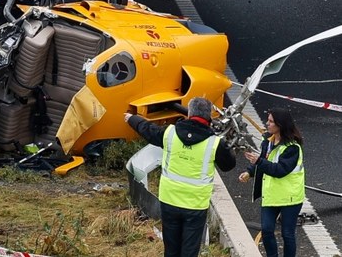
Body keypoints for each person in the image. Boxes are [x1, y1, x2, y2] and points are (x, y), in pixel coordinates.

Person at [124, 97, 236, 257]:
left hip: (169, 201)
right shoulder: (215, 143)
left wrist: (132, 118)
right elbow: (229, 165)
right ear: (209, 116)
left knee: (171, 249)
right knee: (189, 251)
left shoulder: (170, 133)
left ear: (189, 113)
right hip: (195, 205)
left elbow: (148, 130)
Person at [239, 108, 305, 257]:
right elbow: (263, 160)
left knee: (287, 234)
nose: (267, 124)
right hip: (271, 195)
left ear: (280, 125)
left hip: (290, 198)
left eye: (271, 121)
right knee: (267, 230)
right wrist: (249, 172)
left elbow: (280, 170)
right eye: (267, 120)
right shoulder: (267, 141)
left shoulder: (292, 147)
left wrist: (259, 161)